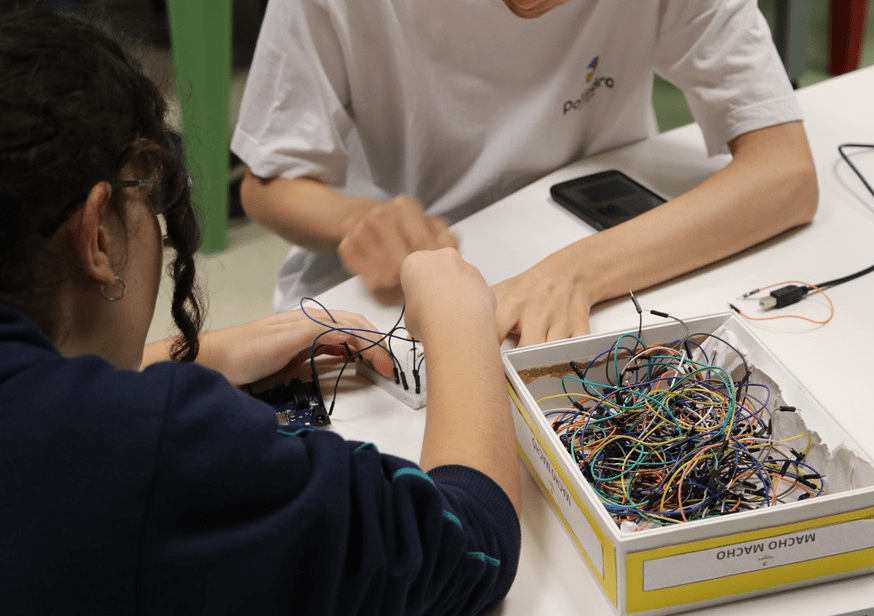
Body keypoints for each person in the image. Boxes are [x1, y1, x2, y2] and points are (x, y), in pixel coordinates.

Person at [0, 3, 520, 614]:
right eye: (152, 202)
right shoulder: (151, 455)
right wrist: (461, 324)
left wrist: (191, 356)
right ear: (97, 236)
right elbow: (466, 551)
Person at [232, 0, 819, 346]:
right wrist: (352, 221)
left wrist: (577, 274)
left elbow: (785, 171)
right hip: (388, 296)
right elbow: (268, 182)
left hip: (605, 254)